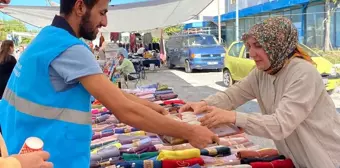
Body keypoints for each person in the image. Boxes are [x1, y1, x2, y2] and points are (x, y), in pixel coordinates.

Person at [0, 0, 218, 168]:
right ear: (79, 7)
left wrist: (152, 107)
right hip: (53, 157)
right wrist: (190, 132)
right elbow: (124, 111)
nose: (105, 22)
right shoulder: (70, 49)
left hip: (21, 151)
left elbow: (108, 91)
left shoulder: (46, 39)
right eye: (102, 12)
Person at [179, 17, 340, 168]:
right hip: (295, 159)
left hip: (325, 159)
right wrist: (204, 104)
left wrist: (234, 117)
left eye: (258, 45)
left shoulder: (303, 73)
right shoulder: (262, 72)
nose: (251, 53)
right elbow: (233, 95)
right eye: (249, 46)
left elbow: (280, 125)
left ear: (277, 45)